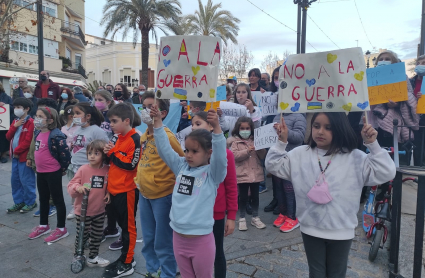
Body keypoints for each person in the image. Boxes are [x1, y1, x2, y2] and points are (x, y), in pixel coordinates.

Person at [266, 112, 396, 277]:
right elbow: (272, 165)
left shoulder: (355, 157)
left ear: (340, 129)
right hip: (310, 228)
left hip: (341, 229)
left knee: (336, 273)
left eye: (328, 128)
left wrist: (373, 145)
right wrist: (281, 142)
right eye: (316, 126)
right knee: (317, 272)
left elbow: (387, 172)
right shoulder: (300, 154)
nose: (320, 131)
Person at [150, 105, 227, 278]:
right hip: (178, 238)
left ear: (209, 153)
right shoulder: (181, 167)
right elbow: (164, 150)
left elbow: (221, 158)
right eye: (186, 150)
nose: (188, 155)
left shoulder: (212, 174)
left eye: (194, 151)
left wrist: (217, 129)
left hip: (201, 241)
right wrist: (158, 123)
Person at [135, 91, 183, 278]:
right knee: (148, 238)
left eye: (150, 107)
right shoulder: (144, 136)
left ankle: (168, 273)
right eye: (144, 107)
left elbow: (180, 162)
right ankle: (152, 270)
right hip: (145, 194)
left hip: (163, 195)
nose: (146, 111)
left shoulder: (169, 137)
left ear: (162, 113)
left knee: (163, 240)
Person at [191, 111, 237, 278]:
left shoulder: (226, 154)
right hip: (195, 213)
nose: (193, 127)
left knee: (217, 252)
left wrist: (231, 216)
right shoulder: (191, 155)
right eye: (192, 124)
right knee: (196, 252)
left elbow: (231, 186)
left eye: (198, 123)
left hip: (215, 214)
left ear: (210, 126)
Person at [368, 50, 419, 200]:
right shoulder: (372, 78)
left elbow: (409, 100)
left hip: (392, 126)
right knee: (373, 155)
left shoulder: (402, 78)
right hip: (375, 122)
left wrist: (398, 104)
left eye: (387, 59)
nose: (384, 61)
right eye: (381, 59)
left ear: (395, 62)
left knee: (389, 158)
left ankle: (386, 189)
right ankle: (372, 186)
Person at [102, 103, 141, 278]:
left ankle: (128, 262)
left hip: (128, 191)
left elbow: (130, 165)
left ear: (126, 121)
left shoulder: (135, 139)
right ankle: (125, 256)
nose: (111, 124)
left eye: (114, 121)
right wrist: (107, 152)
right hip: (114, 189)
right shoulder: (117, 137)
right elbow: (112, 161)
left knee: (128, 228)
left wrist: (113, 151)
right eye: (110, 121)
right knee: (121, 226)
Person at [27, 107, 71, 242]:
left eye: (41, 116)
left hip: (53, 172)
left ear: (50, 120)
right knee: (43, 199)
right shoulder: (38, 132)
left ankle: (61, 228)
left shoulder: (56, 135)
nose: (37, 119)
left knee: (58, 200)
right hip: (40, 172)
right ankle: (43, 225)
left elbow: (65, 154)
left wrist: (62, 168)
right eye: (36, 115)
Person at [67, 140, 111, 268]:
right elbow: (71, 185)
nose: (92, 156)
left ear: (103, 155)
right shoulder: (83, 169)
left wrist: (108, 192)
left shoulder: (107, 170)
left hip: (99, 211)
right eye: (89, 153)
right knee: (81, 235)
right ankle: (78, 255)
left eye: (96, 153)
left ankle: (93, 257)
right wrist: (78, 188)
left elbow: (109, 184)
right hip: (83, 211)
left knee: (97, 236)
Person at [67, 103, 109, 219]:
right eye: (74, 113)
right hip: (75, 166)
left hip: (89, 167)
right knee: (76, 187)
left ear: (88, 116)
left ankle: (95, 210)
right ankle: (76, 208)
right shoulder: (77, 129)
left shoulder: (96, 131)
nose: (74, 116)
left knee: (90, 190)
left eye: (78, 113)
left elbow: (104, 147)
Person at [227, 117, 267, 231]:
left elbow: (262, 156)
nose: (245, 130)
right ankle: (242, 218)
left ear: (251, 129)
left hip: (255, 173)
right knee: (243, 197)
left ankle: (255, 217)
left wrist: (259, 148)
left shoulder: (256, 140)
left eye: (247, 128)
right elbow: (234, 156)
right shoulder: (234, 142)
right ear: (238, 129)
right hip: (242, 174)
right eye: (242, 128)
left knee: (255, 196)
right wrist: (247, 151)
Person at [270, 113, 306, 232]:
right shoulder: (277, 116)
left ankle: (292, 217)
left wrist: (286, 132)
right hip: (278, 158)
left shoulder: (299, 117)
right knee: (279, 188)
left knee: (289, 189)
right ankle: (283, 213)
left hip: (291, 158)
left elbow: (300, 137)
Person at [6, 98, 36, 213]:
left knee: (27, 180)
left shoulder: (31, 122)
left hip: (24, 157)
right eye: (15, 107)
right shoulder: (15, 121)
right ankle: (18, 202)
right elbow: (8, 136)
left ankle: (30, 202)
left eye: (19, 107)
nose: (16, 109)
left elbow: (28, 141)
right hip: (15, 157)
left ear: (27, 109)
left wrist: (17, 151)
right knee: (15, 180)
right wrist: (15, 126)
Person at [411, 54, 425, 167]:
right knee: (417, 147)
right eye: (418, 63)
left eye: (423, 63)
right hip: (413, 120)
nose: (420, 65)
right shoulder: (411, 82)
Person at [0, 82, 13, 163]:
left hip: (3, 122)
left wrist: (4, 105)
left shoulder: (6, 97)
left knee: (3, 138)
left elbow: (12, 108)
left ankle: (3, 154)